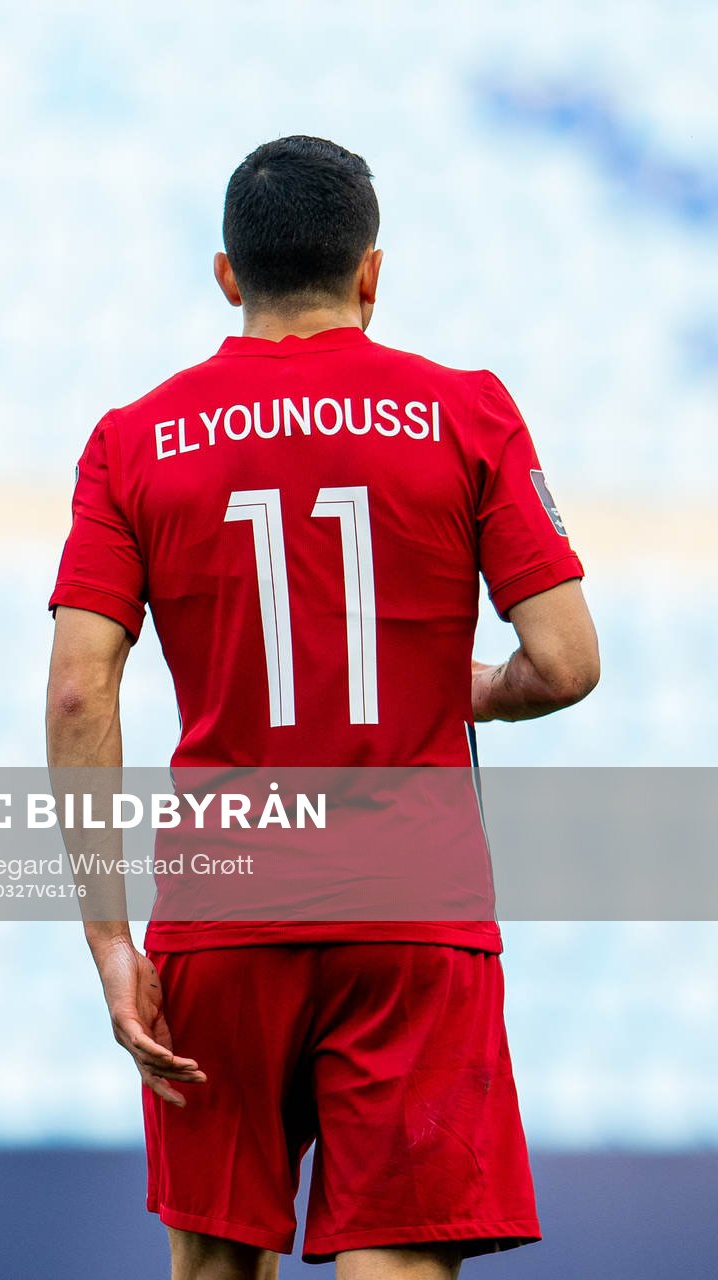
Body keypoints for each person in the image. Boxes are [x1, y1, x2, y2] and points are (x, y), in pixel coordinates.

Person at [44, 136, 599, 1280]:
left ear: (227, 274)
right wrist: (475, 690)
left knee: (215, 1260)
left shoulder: (135, 438)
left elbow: (78, 687)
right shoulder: (465, 411)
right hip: (412, 907)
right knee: (397, 1258)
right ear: (371, 272)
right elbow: (565, 661)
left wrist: (108, 937)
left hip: (222, 905)